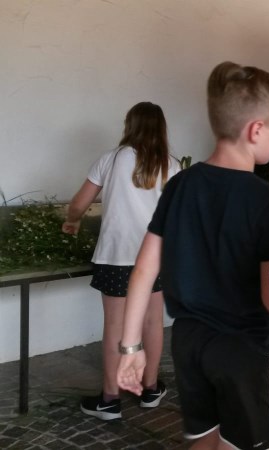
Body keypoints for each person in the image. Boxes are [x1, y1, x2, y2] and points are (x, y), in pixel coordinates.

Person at [116, 62, 269, 449]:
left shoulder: (181, 183)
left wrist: (131, 348)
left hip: (189, 342)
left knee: (203, 437)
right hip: (245, 350)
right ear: (256, 130)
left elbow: (144, 270)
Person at [62, 101, 179, 420]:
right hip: (153, 258)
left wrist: (72, 221)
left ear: (130, 125)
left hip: (114, 256)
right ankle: (151, 389)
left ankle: (110, 399)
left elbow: (79, 202)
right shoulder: (171, 165)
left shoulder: (111, 159)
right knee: (153, 321)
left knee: (115, 325)